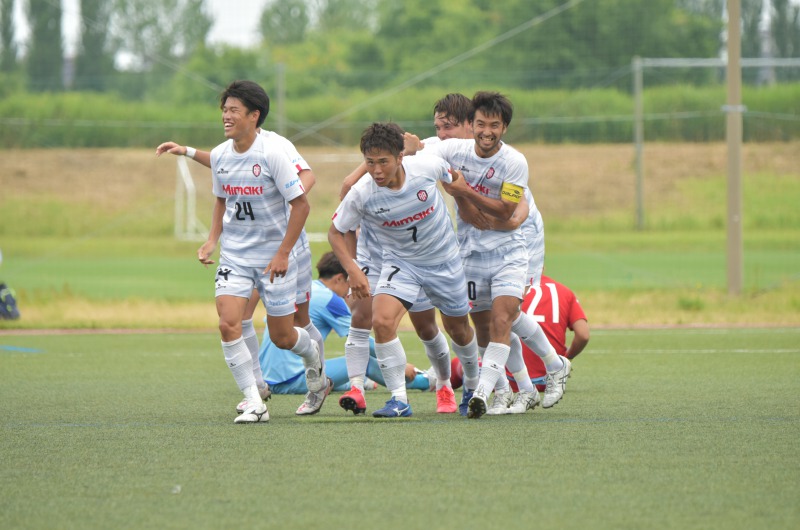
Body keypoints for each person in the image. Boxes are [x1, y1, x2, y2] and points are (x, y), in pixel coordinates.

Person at [162, 80, 322, 424]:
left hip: (275, 257)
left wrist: (283, 252)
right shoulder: (221, 154)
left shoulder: (274, 151)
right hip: (235, 256)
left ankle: (312, 358)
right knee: (228, 322)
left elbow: (302, 204)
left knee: (283, 336)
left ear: (254, 115)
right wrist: (211, 240)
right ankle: (254, 399)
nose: (226, 115)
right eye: (224, 109)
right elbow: (222, 200)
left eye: (234, 110)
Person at [410, 91, 571, 419]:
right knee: (490, 322)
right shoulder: (448, 149)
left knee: (504, 316)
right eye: (438, 127)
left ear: (466, 126)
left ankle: (497, 388)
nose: (441, 134)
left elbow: (514, 213)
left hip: (516, 240)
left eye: (448, 127)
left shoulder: (511, 161)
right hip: (474, 247)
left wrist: (468, 196)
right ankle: (524, 387)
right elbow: (407, 149)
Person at [336, 93, 482, 417]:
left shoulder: (427, 164)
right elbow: (336, 229)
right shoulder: (363, 192)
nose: (376, 171)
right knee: (380, 320)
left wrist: (471, 207)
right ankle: (398, 399)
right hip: (399, 262)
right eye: (370, 163)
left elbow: (455, 181)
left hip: (442, 261)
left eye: (383, 162)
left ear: (400, 156)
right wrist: (353, 269)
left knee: (456, 329)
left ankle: (470, 385)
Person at [258, 251, 434, 397]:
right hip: (293, 379)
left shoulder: (307, 290)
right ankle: (425, 382)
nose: (352, 289)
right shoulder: (331, 300)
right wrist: (401, 365)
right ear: (339, 279)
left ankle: (362, 382)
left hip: (268, 379)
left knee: (337, 362)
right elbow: (360, 339)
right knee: (363, 360)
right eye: (351, 282)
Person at [450, 274, 589, 414]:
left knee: (465, 362)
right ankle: (544, 373)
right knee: (503, 322)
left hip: (508, 375)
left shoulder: (509, 280)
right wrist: (568, 356)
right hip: (543, 381)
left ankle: (482, 390)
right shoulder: (564, 291)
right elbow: (583, 335)